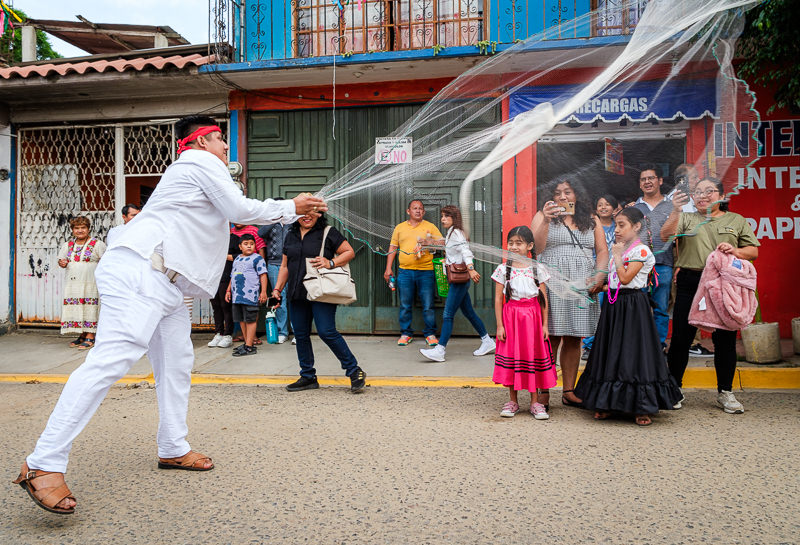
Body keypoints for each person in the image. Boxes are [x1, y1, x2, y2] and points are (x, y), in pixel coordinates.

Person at [13, 115, 326, 515]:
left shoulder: (198, 171)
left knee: (177, 363)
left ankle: (173, 447)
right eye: (220, 140)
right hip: (142, 273)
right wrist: (290, 205)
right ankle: (43, 462)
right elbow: (239, 208)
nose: (226, 148)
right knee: (109, 363)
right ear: (201, 141)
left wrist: (288, 210)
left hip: (167, 285)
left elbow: (227, 213)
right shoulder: (196, 162)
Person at [574, 207, 683, 426]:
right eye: (616, 225)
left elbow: (625, 279)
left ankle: (641, 407)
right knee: (612, 352)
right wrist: (599, 286)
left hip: (634, 307)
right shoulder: (623, 250)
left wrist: (615, 255)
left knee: (634, 355)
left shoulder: (640, 251)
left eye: (622, 225)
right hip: (615, 306)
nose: (617, 230)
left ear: (637, 227)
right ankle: (606, 404)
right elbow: (616, 283)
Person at [661, 177, 759, 414]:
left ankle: (725, 392)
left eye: (709, 191)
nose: (703, 195)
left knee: (725, 339)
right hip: (690, 282)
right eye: (698, 192)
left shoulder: (736, 220)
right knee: (682, 338)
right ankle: (675, 388)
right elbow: (665, 236)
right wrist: (675, 209)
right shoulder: (686, 218)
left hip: (724, 284)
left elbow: (753, 251)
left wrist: (734, 250)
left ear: (721, 195)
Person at [531, 179, 606, 409]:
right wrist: (545, 218)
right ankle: (543, 390)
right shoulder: (541, 215)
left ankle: (568, 390)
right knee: (550, 336)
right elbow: (536, 248)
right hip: (551, 282)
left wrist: (599, 275)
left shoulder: (591, 218)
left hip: (582, 282)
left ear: (577, 194)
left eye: (567, 192)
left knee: (574, 337)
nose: (562, 197)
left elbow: (602, 250)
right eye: (557, 193)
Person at [273, 211, 366, 393]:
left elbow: (349, 252)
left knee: (326, 331)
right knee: (300, 334)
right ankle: (308, 376)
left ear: (319, 214)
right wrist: (277, 290)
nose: (306, 217)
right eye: (302, 213)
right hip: (296, 292)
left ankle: (354, 371)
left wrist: (330, 262)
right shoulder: (290, 235)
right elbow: (284, 266)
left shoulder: (327, 232)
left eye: (311, 213)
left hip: (321, 291)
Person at [491, 226, 556, 420]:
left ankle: (535, 402)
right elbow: (497, 300)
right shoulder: (503, 269)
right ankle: (513, 401)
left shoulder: (538, 269)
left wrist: (545, 325)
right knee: (513, 356)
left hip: (533, 319)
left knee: (531, 356)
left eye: (519, 243)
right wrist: (500, 326)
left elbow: (544, 300)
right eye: (511, 243)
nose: (514, 247)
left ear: (529, 246)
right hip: (511, 318)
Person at [419, 205, 494, 362]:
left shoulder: (456, 233)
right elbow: (450, 247)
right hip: (459, 280)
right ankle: (487, 341)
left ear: (454, 218)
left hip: (459, 280)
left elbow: (466, 251)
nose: (443, 219)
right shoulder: (451, 232)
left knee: (448, 314)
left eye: (447, 216)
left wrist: (471, 268)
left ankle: (440, 350)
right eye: (442, 216)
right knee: (469, 312)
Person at [384, 199, 443, 346]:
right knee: (405, 304)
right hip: (405, 271)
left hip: (426, 271)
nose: (418, 211)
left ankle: (430, 333)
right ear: (408, 211)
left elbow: (442, 243)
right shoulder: (400, 228)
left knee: (428, 305)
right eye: (415, 208)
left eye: (420, 209)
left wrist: (428, 242)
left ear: (423, 212)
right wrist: (388, 268)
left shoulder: (430, 227)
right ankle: (406, 333)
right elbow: (393, 248)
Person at [633, 164, 674, 349]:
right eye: (643, 179)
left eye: (651, 178)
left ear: (660, 181)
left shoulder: (672, 206)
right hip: (637, 266)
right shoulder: (634, 208)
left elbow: (678, 238)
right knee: (637, 308)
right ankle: (638, 346)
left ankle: (658, 346)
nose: (647, 182)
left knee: (661, 308)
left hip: (664, 263)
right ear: (640, 185)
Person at [57, 216, 106, 350]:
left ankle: (91, 334)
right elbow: (61, 261)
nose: (80, 231)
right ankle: (83, 334)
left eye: (83, 228)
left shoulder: (97, 244)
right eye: (76, 228)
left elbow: (106, 262)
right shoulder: (68, 245)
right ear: (72, 230)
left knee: (90, 306)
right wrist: (62, 263)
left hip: (91, 281)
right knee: (79, 306)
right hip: (74, 283)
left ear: (88, 229)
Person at [581, 194, 618, 360]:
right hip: (595, 273)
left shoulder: (619, 226)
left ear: (615, 209)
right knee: (594, 309)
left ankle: (609, 344)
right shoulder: (590, 226)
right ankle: (589, 345)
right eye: (600, 204)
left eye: (608, 204)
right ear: (595, 209)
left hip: (616, 273)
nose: (603, 207)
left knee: (612, 309)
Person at [225, 234, 268, 356]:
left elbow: (263, 275)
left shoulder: (257, 258)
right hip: (237, 296)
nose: (249, 246)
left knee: (250, 319)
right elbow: (232, 276)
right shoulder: (237, 258)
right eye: (246, 244)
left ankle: (249, 346)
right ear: (240, 246)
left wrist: (263, 291)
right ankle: (246, 343)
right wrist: (228, 290)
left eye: (251, 244)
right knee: (241, 320)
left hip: (250, 295)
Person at [259, 208, 291, 343]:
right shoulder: (269, 223)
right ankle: (282, 332)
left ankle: (298, 332)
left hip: (293, 264)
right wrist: (274, 220)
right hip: (274, 264)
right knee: (279, 299)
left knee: (294, 298)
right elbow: (260, 233)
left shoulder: (292, 222)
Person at [207, 228, 239, 349]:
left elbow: (240, 255)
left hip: (227, 276)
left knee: (226, 305)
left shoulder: (234, 239)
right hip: (212, 277)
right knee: (215, 306)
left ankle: (228, 335)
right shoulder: (210, 239)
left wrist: (224, 256)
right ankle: (218, 333)